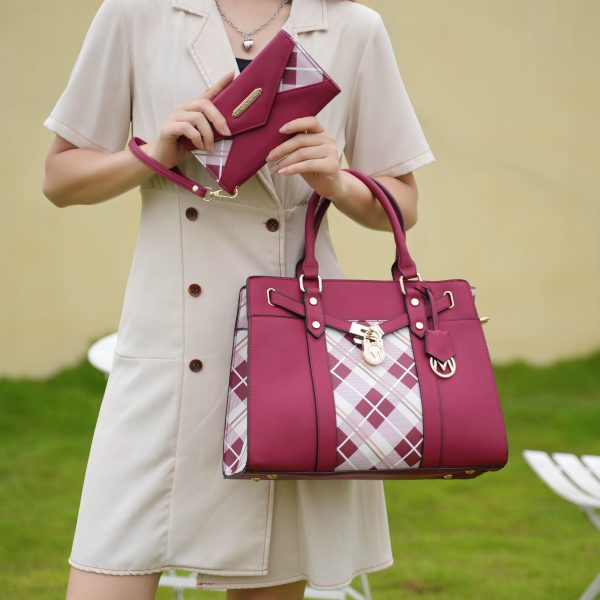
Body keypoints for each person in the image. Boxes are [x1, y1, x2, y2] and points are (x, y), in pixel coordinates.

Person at [42, 0, 435, 598]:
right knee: (109, 562)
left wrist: (335, 179)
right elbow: (60, 179)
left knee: (268, 569)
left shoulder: (354, 27)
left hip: (293, 347)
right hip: (169, 342)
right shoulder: (134, 12)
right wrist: (155, 153)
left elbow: (402, 203)